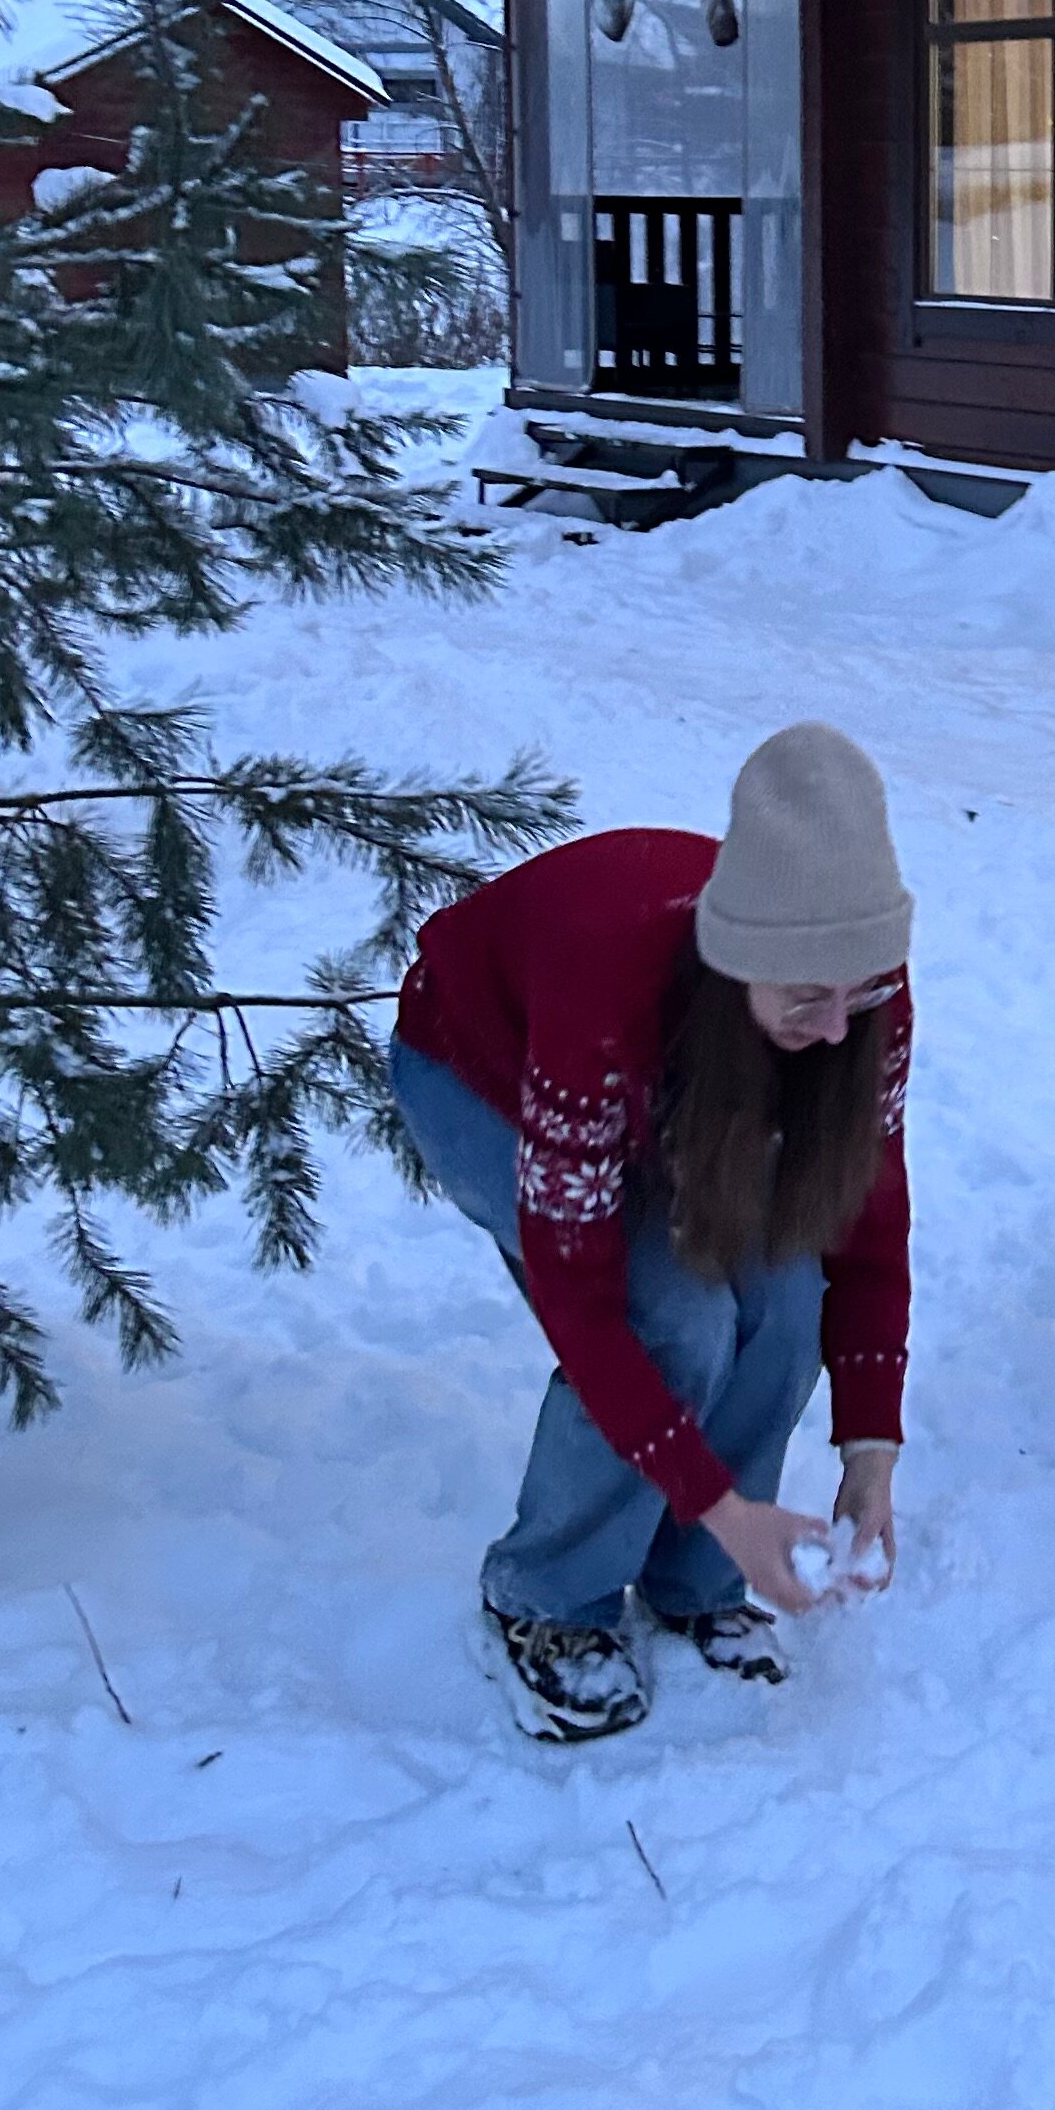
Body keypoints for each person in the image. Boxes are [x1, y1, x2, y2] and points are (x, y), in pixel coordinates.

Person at [389, 722, 915, 1743]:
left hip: (681, 1097)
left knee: (789, 1301)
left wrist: (871, 1442)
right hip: (479, 1074)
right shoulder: (607, 984)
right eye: (808, 998)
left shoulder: (857, 993)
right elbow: (583, 1304)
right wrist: (719, 1496)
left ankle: (701, 1579)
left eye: (865, 993)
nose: (841, 1029)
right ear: (739, 964)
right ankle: (547, 1601)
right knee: (670, 1314)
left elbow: (868, 1218)